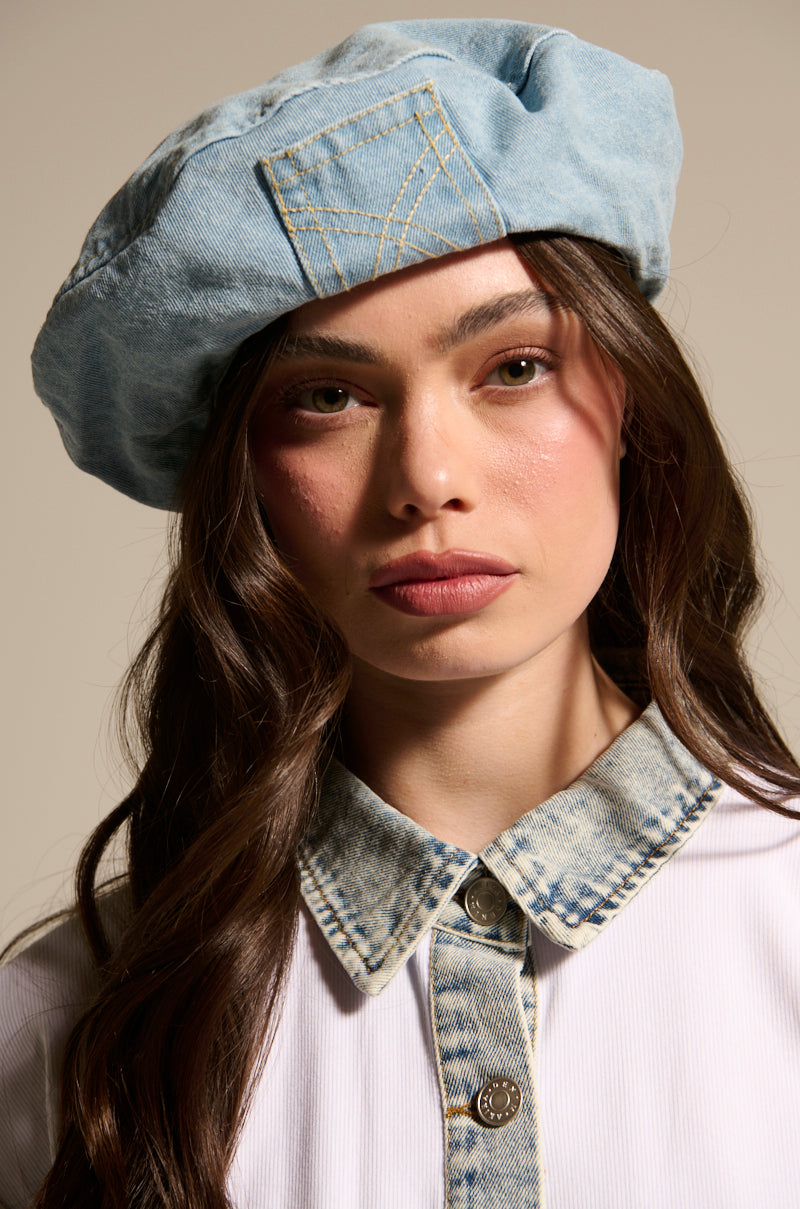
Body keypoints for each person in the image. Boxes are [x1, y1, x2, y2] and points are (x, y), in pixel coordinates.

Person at [1, 18, 798, 1209]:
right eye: (327, 397)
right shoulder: (70, 1025)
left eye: (512, 366)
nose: (427, 478)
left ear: (628, 400)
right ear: (243, 480)